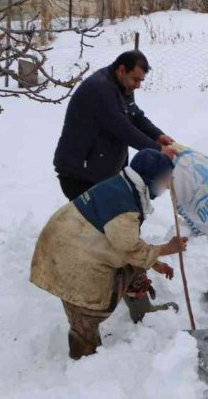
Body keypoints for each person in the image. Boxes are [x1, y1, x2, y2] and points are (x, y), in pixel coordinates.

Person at [30, 149, 188, 360]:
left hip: (73, 244)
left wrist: (154, 262)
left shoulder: (124, 185)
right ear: (151, 179)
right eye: (165, 179)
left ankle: (142, 311)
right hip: (70, 258)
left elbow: (126, 243)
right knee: (86, 311)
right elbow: (128, 248)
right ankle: (84, 359)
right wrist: (169, 248)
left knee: (133, 265)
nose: (167, 185)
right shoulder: (124, 204)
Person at [53, 50, 177, 201]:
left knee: (109, 221)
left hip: (102, 172)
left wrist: (157, 135)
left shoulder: (123, 85)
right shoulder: (99, 88)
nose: (138, 85)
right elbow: (122, 128)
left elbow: (135, 116)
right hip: (81, 176)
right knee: (98, 223)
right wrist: (158, 149)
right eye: (136, 79)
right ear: (122, 70)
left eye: (141, 81)